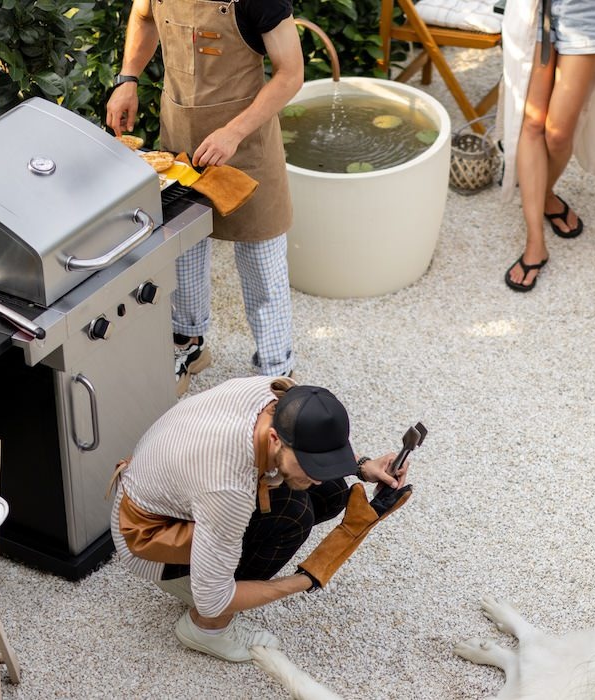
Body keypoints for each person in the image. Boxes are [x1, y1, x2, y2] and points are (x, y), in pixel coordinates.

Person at [107, 376, 414, 662]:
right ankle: (205, 629)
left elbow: (312, 455)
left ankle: (221, 572)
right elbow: (213, 598)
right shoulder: (227, 488)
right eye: (310, 465)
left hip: (170, 485)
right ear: (274, 437)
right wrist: (307, 578)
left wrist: (361, 466)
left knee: (330, 492)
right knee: (293, 519)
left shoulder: (279, 393)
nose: (317, 476)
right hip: (149, 538)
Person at [105, 0, 301, 394]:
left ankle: (276, 375)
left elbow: (291, 74)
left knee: (262, 265)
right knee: (183, 251)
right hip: (179, 138)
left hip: (247, 149)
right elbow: (143, 16)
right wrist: (128, 78)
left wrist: (234, 131)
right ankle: (189, 345)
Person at [499, 0, 595, 292]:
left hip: (588, 11)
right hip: (532, 8)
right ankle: (535, 242)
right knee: (532, 122)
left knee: (557, 133)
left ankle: (543, 193)